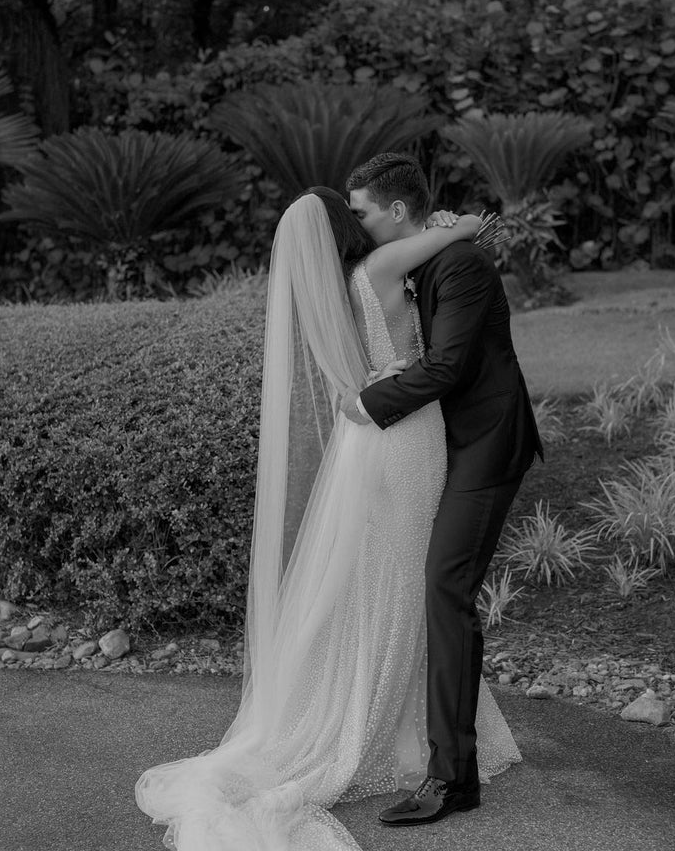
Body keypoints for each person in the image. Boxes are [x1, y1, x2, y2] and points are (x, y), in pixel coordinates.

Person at [135, 185, 520, 851]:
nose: (369, 216)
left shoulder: (336, 286)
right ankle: (395, 730)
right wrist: (465, 223)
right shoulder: (379, 268)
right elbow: (462, 235)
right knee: (406, 583)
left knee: (383, 582)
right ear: (352, 224)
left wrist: (374, 383)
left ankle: (395, 723)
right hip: (406, 435)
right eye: (362, 211)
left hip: (368, 439)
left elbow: (357, 374)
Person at [341, 152, 543, 828]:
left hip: (484, 445)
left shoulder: (460, 263)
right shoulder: (431, 256)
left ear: (398, 211)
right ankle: (440, 757)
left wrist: (372, 405)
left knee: (444, 588)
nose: (359, 225)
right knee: (427, 587)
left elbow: (453, 363)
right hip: (439, 447)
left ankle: (452, 778)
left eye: (364, 211)